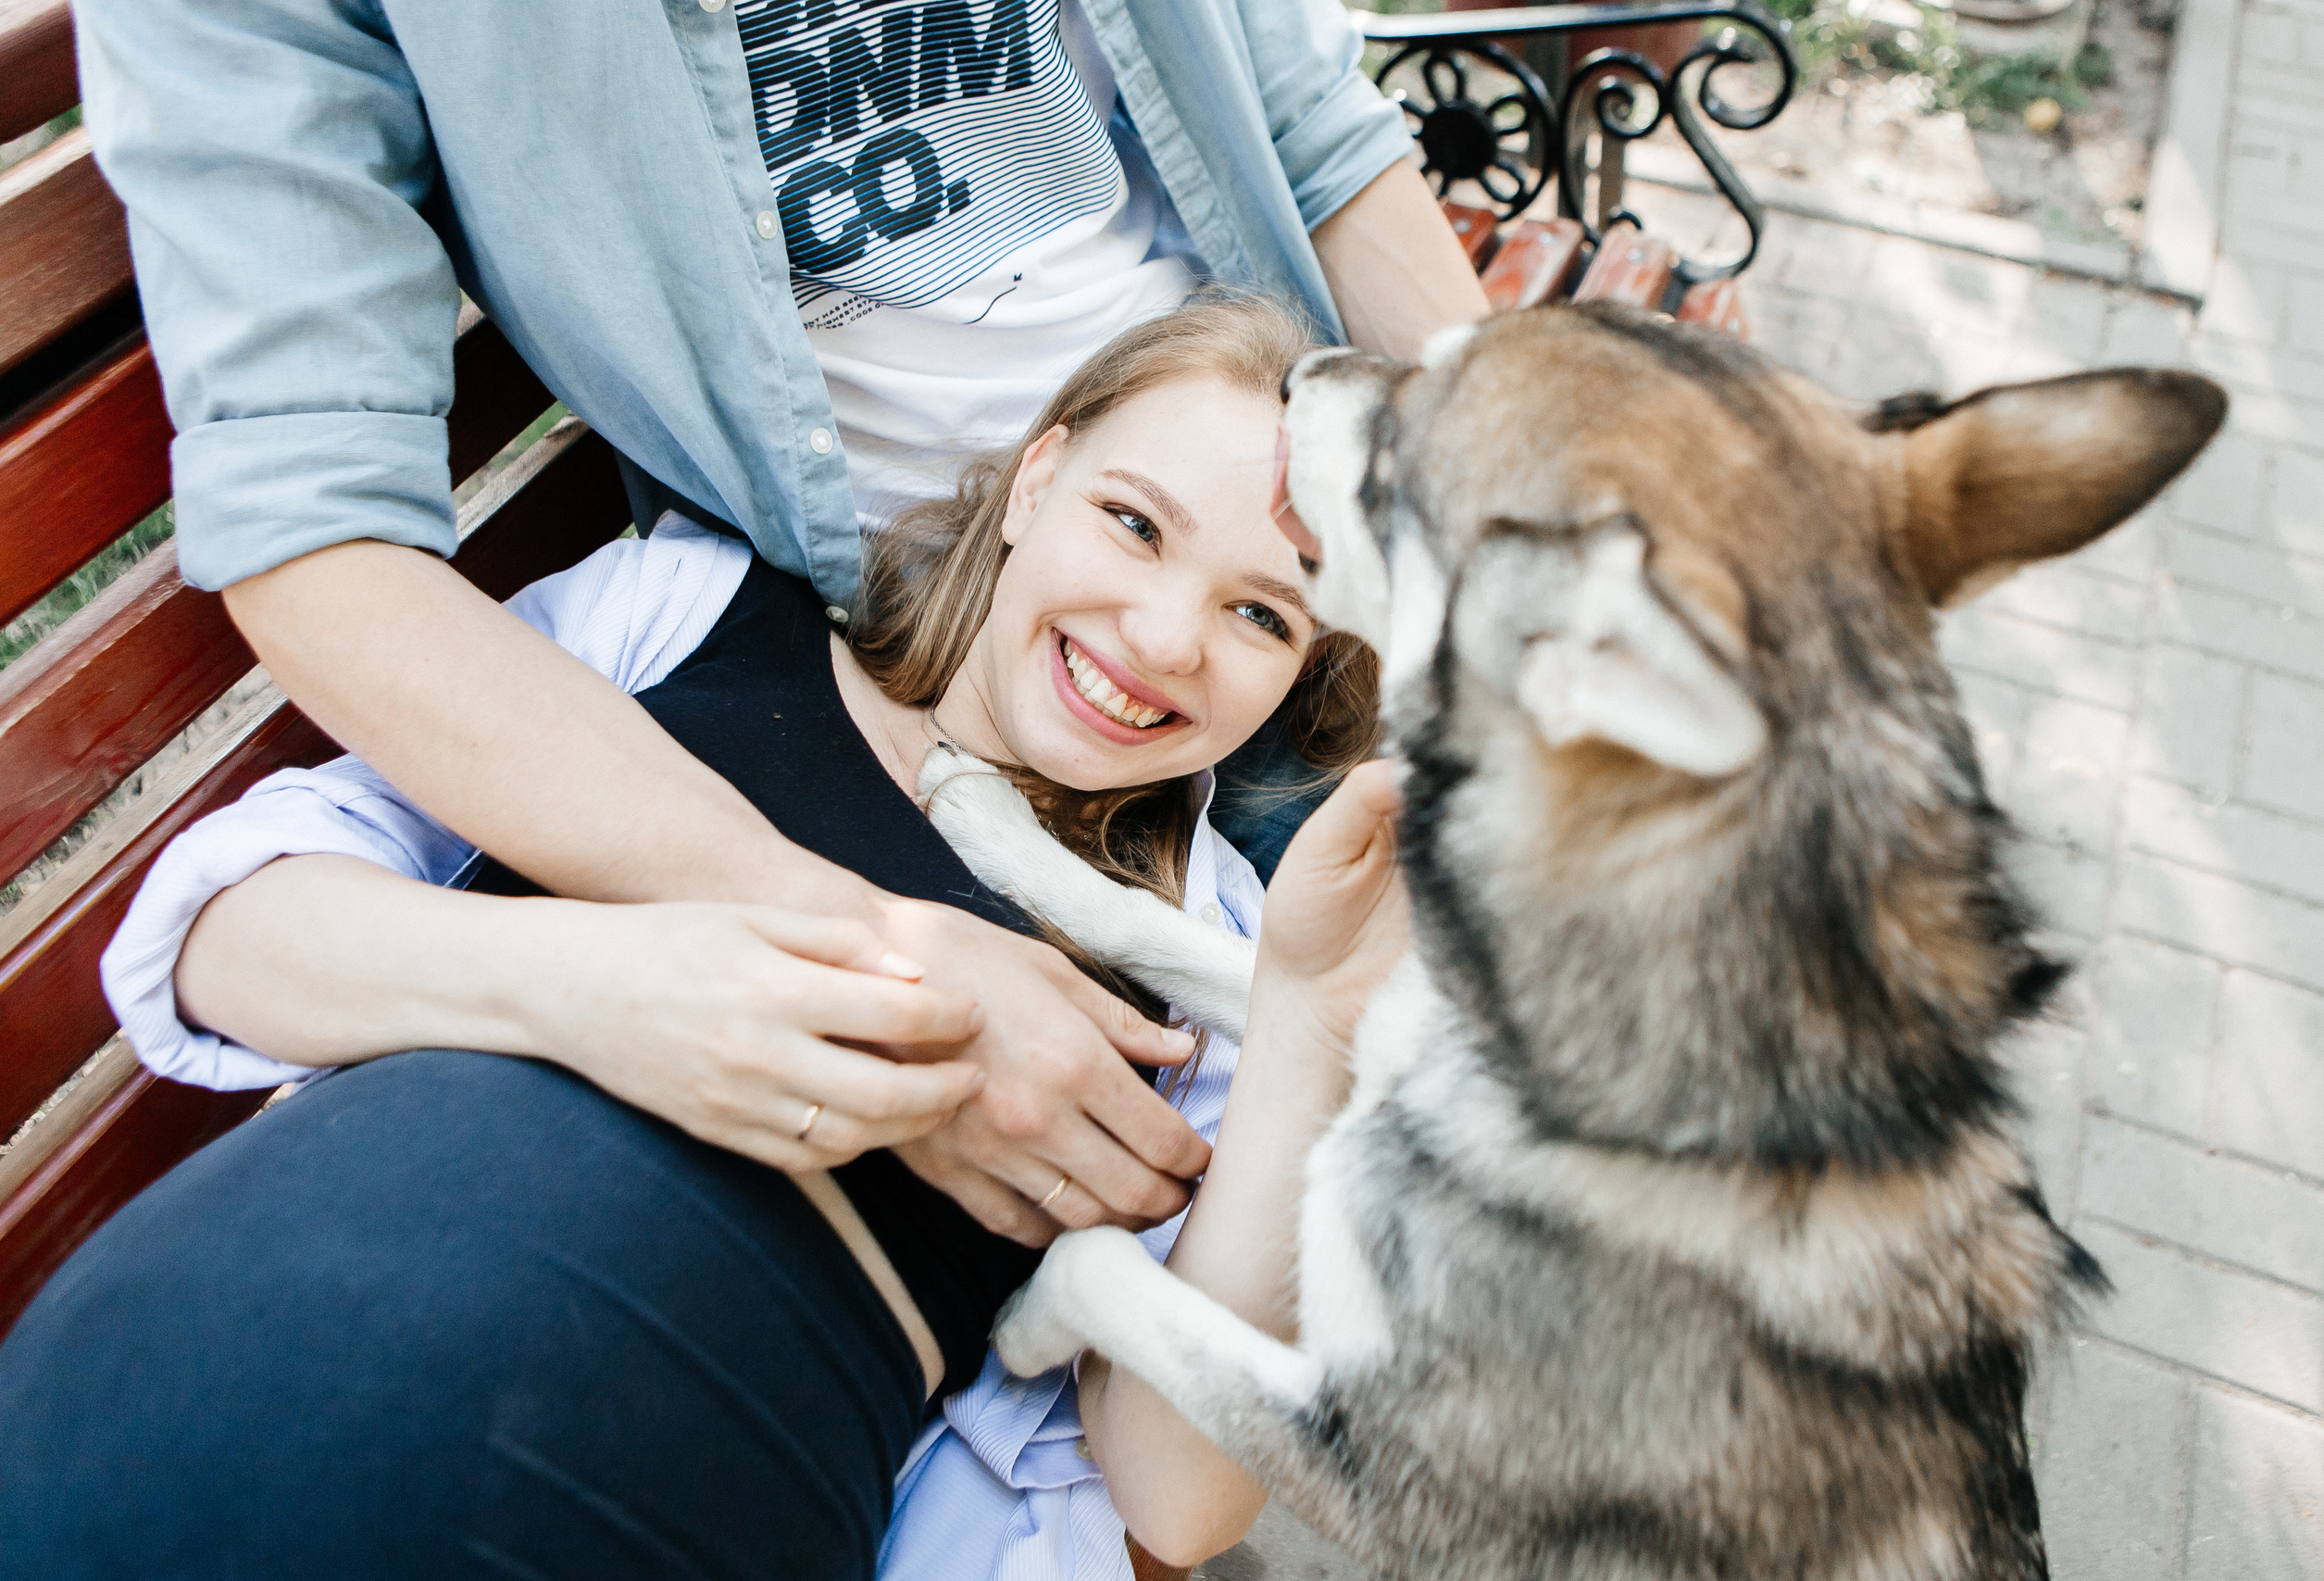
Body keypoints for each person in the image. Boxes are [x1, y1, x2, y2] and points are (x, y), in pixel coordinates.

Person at [0, 296, 1412, 1581]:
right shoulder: (691, 614)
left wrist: (1310, 1022)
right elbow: (222, 941)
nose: (1166, 636)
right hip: (236, 1328)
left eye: (1259, 612)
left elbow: (1173, 1501)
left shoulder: (1217, 953)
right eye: (1134, 521)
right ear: (1035, 479)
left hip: (664, 1484)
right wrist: (621, 990)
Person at [73, 0, 1488, 1247]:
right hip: (900, 657)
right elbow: (316, 527)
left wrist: (1516, 552)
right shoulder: (670, 624)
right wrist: (873, 950)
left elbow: (1315, 135)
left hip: (1298, 545)